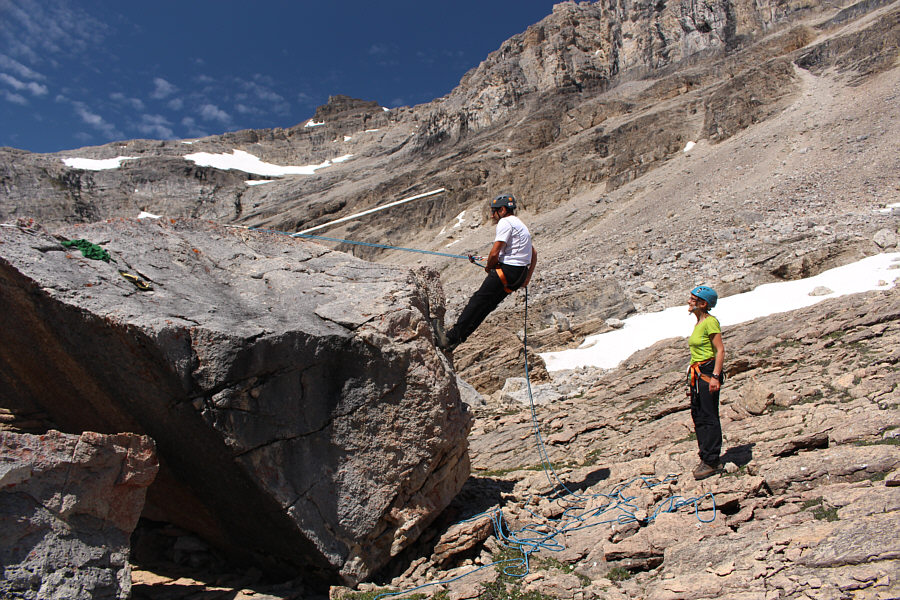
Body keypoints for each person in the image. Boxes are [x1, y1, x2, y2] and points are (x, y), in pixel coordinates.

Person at [434, 193, 537, 351]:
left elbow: (495, 253)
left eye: (494, 211)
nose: (492, 215)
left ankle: (449, 338)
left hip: (507, 271)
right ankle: (458, 339)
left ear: (502, 210)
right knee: (486, 306)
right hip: (519, 274)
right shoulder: (520, 224)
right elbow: (533, 253)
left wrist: (489, 267)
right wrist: (527, 278)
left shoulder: (505, 222)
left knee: (477, 301)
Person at [686, 285, 725, 480]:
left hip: (708, 372)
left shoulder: (710, 323)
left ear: (703, 304)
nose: (689, 302)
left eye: (693, 300)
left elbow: (720, 350)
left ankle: (712, 460)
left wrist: (716, 376)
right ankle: (706, 455)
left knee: (709, 416)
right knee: (699, 414)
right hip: (699, 372)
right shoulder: (699, 322)